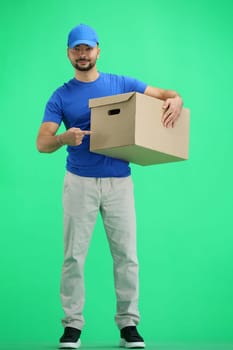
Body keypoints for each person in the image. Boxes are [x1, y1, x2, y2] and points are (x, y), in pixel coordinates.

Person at [36, 23, 183, 349]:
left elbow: (165, 95)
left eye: (88, 48)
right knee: (73, 257)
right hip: (79, 183)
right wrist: (63, 137)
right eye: (77, 49)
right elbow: (42, 142)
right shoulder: (60, 96)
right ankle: (72, 327)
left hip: (119, 183)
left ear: (98, 50)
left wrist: (176, 99)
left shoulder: (121, 84)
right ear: (69, 53)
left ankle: (129, 325)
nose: (83, 54)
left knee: (127, 256)